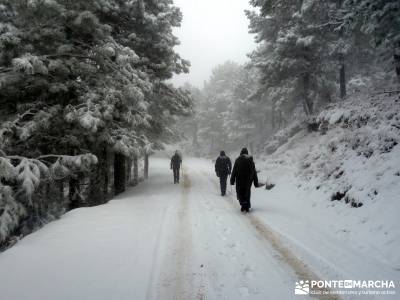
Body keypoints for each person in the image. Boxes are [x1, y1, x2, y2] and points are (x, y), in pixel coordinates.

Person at [230, 148, 259, 212]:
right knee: (247, 192)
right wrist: (256, 183)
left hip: (239, 180)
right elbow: (254, 172)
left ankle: (243, 205)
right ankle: (247, 206)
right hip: (248, 180)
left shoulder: (238, 160)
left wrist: (232, 180)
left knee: (240, 192)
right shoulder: (251, 161)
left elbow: (234, 171)